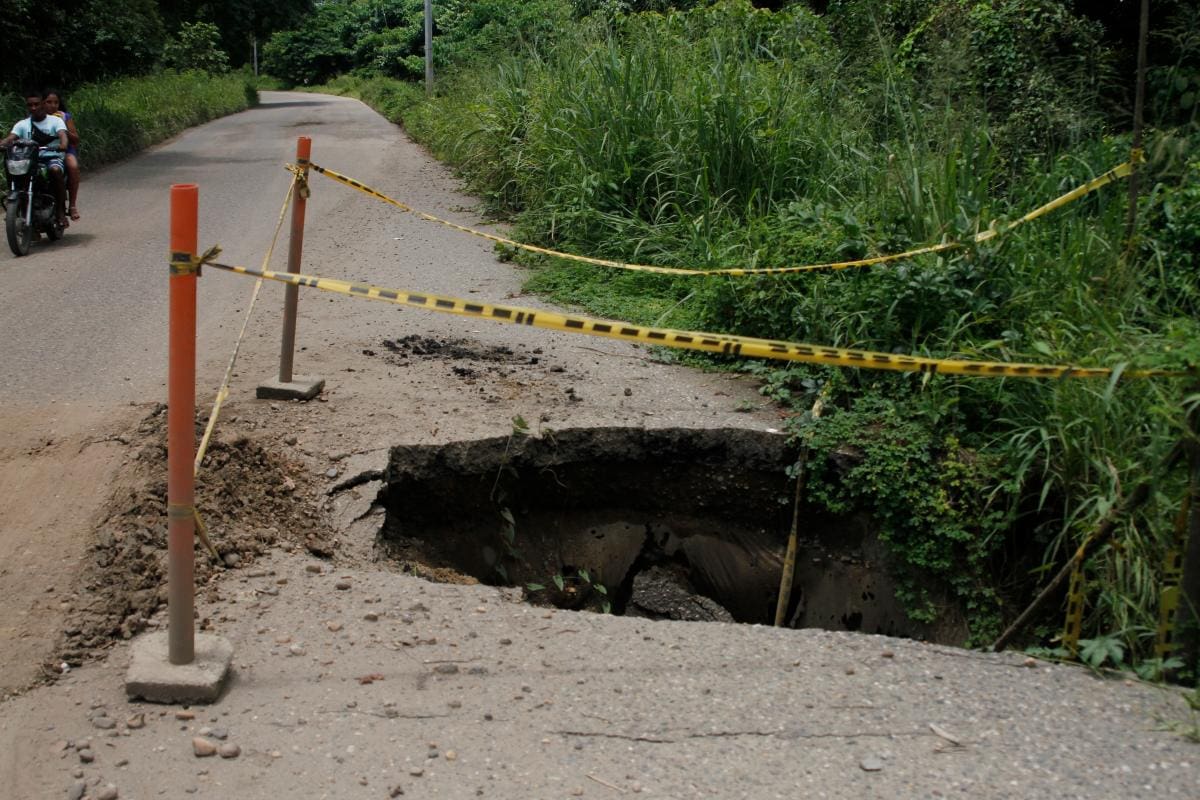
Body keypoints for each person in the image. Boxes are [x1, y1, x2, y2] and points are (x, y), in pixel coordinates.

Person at [0, 89, 69, 227]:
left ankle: (60, 210)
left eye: (36, 104)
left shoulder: (55, 121)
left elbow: (63, 136)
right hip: (29, 160)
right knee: (14, 173)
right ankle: (21, 208)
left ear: (43, 104)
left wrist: (62, 145)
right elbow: (10, 138)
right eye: (30, 105)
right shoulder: (22, 124)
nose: (33, 108)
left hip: (51, 157)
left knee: (55, 170)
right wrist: (3, 144)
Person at [43, 88, 80, 221]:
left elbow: (75, 139)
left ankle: (72, 205)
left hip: (63, 149)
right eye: (49, 102)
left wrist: (63, 128)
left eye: (56, 102)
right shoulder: (37, 116)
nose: (52, 105)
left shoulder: (64, 116)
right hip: (43, 150)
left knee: (72, 166)